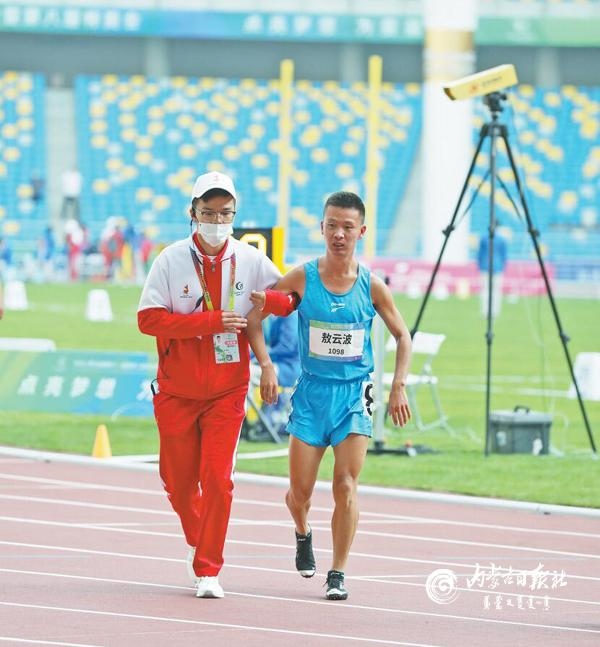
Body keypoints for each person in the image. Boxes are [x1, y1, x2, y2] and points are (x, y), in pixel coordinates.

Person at [249, 191, 412, 601]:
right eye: (332, 226)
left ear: (361, 231)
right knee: (299, 494)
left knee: (346, 485)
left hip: (354, 396)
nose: (339, 234)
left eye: (347, 227)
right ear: (322, 228)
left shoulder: (373, 287)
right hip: (311, 394)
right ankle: (303, 531)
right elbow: (254, 319)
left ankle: (338, 572)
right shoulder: (302, 278)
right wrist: (266, 365)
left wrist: (398, 385)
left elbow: (403, 336)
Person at [137, 171, 281, 599]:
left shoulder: (251, 259)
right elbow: (148, 320)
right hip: (176, 390)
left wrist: (270, 303)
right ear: (193, 212)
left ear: (235, 214)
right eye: (209, 212)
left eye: (225, 213)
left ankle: (208, 569)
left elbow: (290, 296)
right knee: (178, 483)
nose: (217, 221)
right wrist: (209, 322)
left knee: (217, 479)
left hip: (227, 389)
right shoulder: (170, 260)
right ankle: (200, 541)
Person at [477, 223, 508, 319]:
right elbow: (504, 255)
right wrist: (502, 266)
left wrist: (480, 265)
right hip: (497, 267)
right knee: (496, 291)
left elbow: (480, 254)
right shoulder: (501, 239)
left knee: (486, 290)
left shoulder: (484, 238)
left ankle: (485, 311)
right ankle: (494, 312)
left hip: (486, 267)